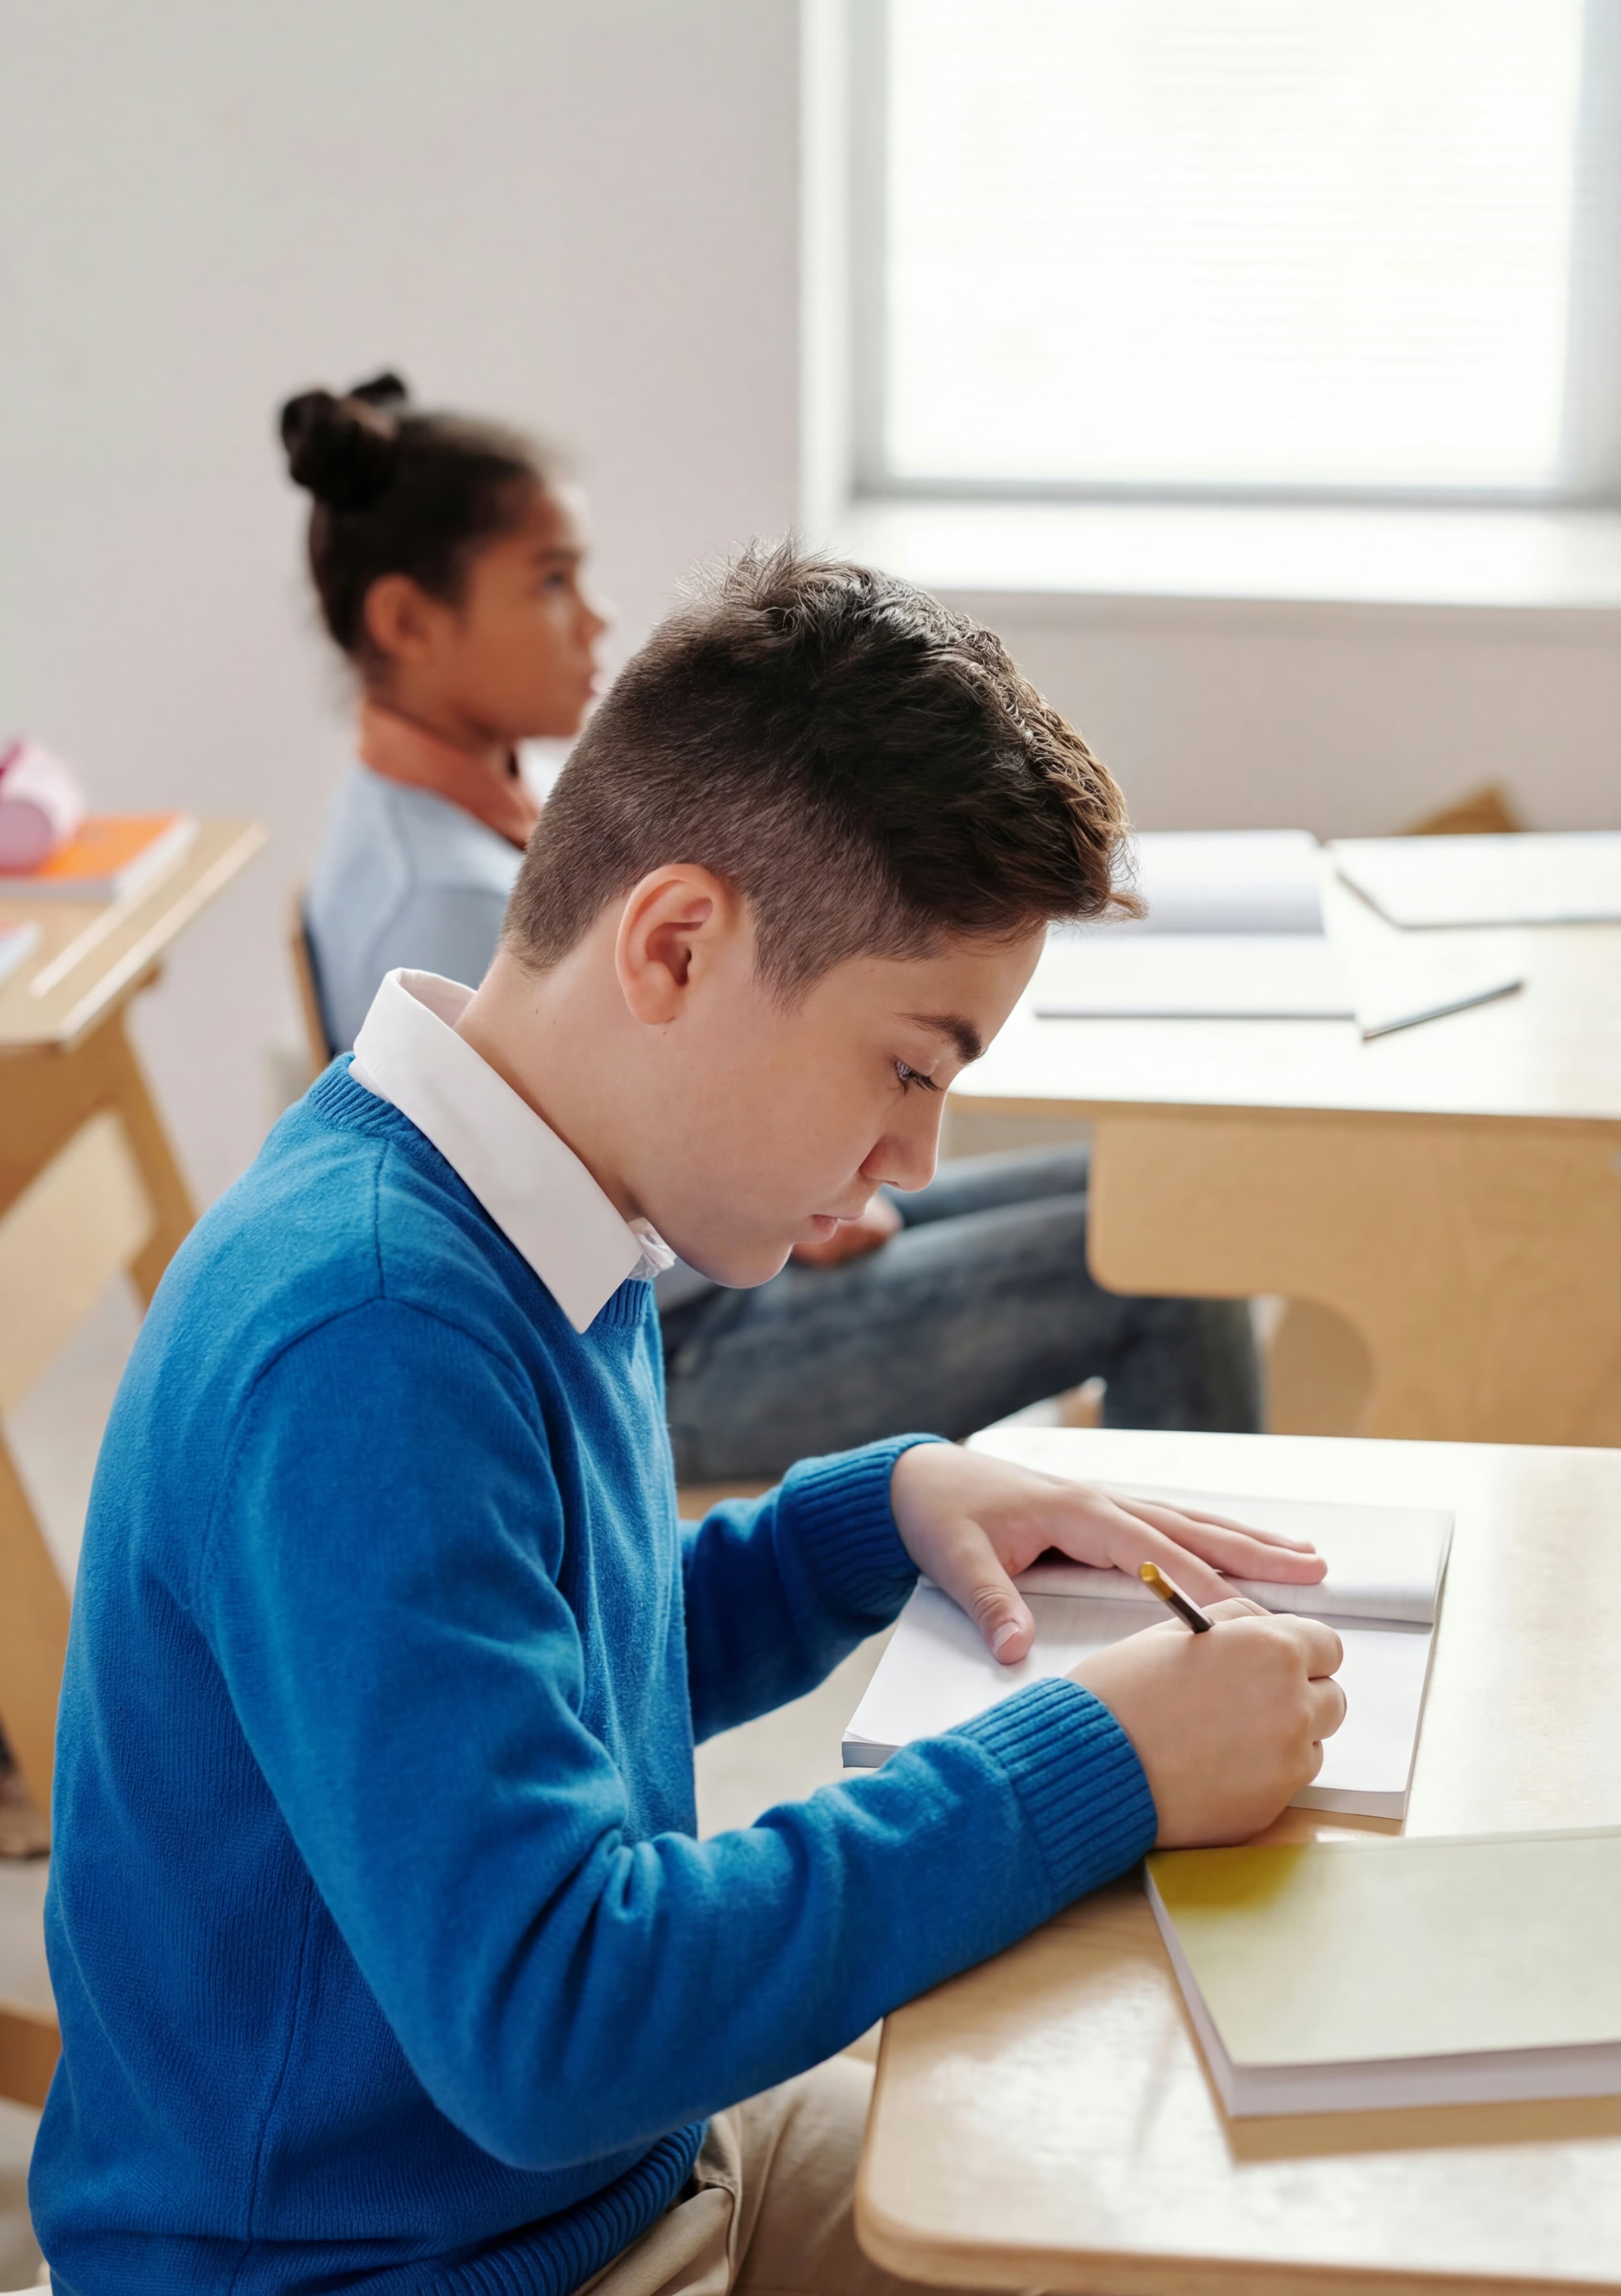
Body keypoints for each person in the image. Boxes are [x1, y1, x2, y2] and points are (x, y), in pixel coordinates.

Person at [32, 545, 1344, 2295]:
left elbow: (548, 1661)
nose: (918, 1156)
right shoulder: (370, 1335)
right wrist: (1097, 1763)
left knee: (1155, 2185)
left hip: (599, 2195)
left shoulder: (523, 1204)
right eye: (909, 1065)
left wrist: (867, 1520)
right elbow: (558, 2020)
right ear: (674, 941)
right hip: (414, 2264)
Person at [289, 377, 1261, 1470]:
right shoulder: (408, 1347)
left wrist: (862, 1528)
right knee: (1162, 1262)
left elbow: (631, 1638)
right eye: (551, 582)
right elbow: (569, 1176)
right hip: (690, 1333)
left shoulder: (476, 812)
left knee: (1158, 1206)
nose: (596, 618)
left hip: (659, 1294)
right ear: (409, 621)